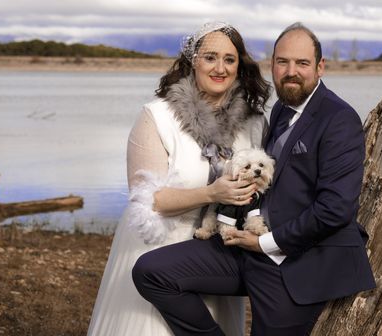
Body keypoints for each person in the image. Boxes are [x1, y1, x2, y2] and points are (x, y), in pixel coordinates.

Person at [132, 23, 376, 335]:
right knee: (151, 272)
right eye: (282, 62)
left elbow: (335, 209)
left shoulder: (338, 119)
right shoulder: (280, 113)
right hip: (247, 245)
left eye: (302, 63)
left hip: (299, 260)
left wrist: (265, 243)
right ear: (271, 65)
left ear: (320, 67)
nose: (291, 72)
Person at [88, 22, 270, 336]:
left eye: (230, 59)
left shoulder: (254, 123)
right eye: (210, 57)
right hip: (157, 248)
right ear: (192, 61)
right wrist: (213, 193)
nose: (220, 68)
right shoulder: (157, 116)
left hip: (218, 252)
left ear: (240, 67)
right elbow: (149, 201)